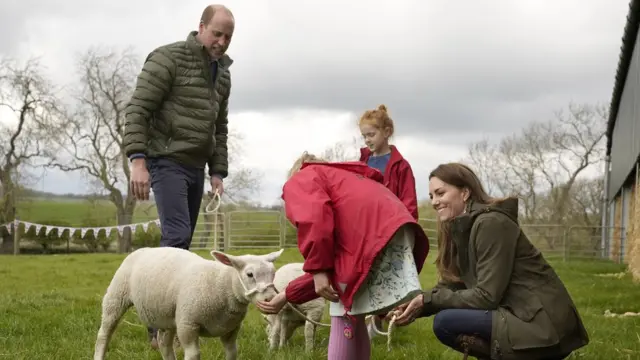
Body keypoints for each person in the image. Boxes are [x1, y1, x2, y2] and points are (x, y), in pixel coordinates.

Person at [388, 163, 590, 360]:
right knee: (447, 319)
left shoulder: (491, 223)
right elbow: (453, 281)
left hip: (543, 324)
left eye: (441, 193)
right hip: (518, 313)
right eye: (432, 196)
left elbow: (486, 296)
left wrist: (429, 301)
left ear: (465, 193)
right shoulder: (461, 227)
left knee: (446, 322)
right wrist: (419, 303)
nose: (433, 202)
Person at [122, 4, 235, 349]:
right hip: (164, 159)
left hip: (195, 166)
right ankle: (158, 329)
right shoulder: (167, 59)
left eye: (228, 36)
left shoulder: (224, 74)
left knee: (183, 244)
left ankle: (169, 321)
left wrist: (217, 170)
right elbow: (138, 108)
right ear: (200, 27)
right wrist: (138, 160)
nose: (222, 41)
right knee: (176, 236)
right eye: (217, 33)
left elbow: (219, 127)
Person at [255, 152, 430, 360]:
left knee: (343, 311)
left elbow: (314, 217)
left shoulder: (304, 177)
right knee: (354, 314)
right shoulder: (348, 184)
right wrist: (286, 296)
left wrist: (318, 270)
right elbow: (337, 271)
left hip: (376, 236)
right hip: (397, 232)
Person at [358, 104, 418, 220]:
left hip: (392, 226)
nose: (367, 140)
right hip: (368, 224)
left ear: (386, 132)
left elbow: (409, 204)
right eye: (364, 136)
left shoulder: (401, 166)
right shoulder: (362, 164)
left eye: (371, 135)